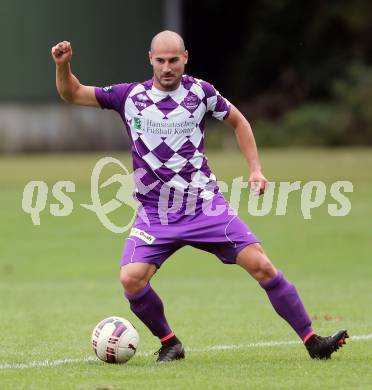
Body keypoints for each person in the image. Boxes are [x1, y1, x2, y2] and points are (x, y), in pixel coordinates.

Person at [51, 30, 348, 363]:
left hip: (205, 207)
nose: (167, 67)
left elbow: (239, 122)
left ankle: (312, 341)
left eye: (173, 60)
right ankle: (170, 343)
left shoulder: (201, 93)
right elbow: (72, 93)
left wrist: (255, 169)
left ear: (185, 58)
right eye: (160, 60)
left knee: (262, 266)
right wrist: (63, 66)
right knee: (131, 280)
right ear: (150, 59)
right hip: (156, 213)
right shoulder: (129, 96)